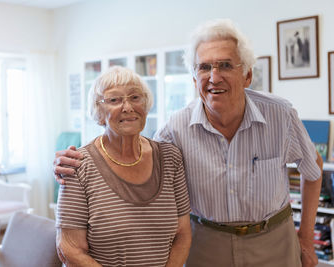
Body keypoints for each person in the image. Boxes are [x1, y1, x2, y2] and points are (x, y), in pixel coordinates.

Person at [54, 19, 323, 267]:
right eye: (204, 67)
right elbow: (137, 161)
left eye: (225, 65)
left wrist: (307, 236)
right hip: (206, 244)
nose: (214, 77)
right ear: (194, 79)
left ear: (248, 75)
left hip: (274, 240)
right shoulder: (175, 129)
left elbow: (313, 168)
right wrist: (67, 161)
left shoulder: (280, 115)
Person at [55, 66, 192, 267]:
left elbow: (183, 234)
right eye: (114, 100)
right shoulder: (77, 165)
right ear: (99, 112)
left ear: (146, 105)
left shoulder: (170, 158)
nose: (127, 107)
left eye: (135, 97)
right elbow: (69, 249)